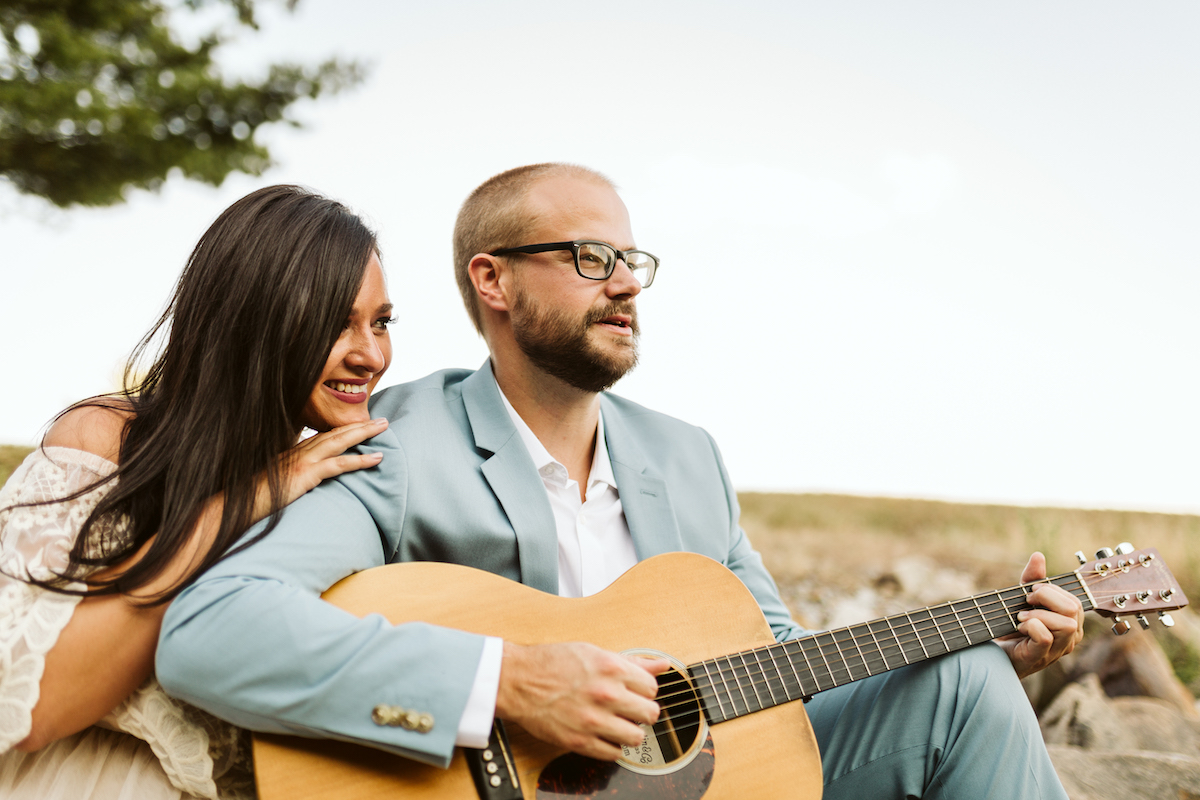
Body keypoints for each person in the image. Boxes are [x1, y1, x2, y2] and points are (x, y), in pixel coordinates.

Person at [158, 164, 1084, 798]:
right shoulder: (401, 442)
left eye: (631, 262)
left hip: (690, 781)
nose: (627, 285)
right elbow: (213, 631)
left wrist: (985, 638)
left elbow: (780, 668)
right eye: (590, 259)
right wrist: (507, 681)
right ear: (495, 281)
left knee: (965, 682)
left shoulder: (689, 458)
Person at [0, 185, 395, 799]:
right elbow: (31, 700)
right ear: (255, 320)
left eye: (381, 323)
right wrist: (251, 497)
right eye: (336, 324)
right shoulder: (111, 438)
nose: (371, 355)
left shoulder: (338, 487)